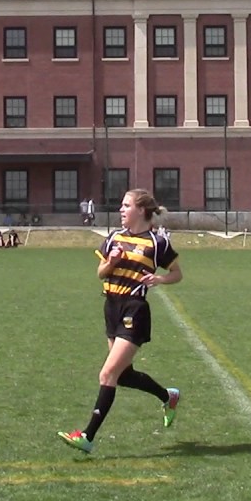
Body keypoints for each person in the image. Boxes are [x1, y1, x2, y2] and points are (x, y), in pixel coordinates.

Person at [58, 188, 182, 454]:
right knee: (123, 375)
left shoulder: (156, 242)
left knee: (108, 373)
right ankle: (167, 396)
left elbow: (177, 273)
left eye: (126, 206)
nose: (121, 210)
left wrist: (159, 279)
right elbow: (101, 273)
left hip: (135, 310)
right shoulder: (114, 237)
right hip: (111, 307)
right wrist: (111, 262)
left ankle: (87, 437)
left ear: (141, 210)